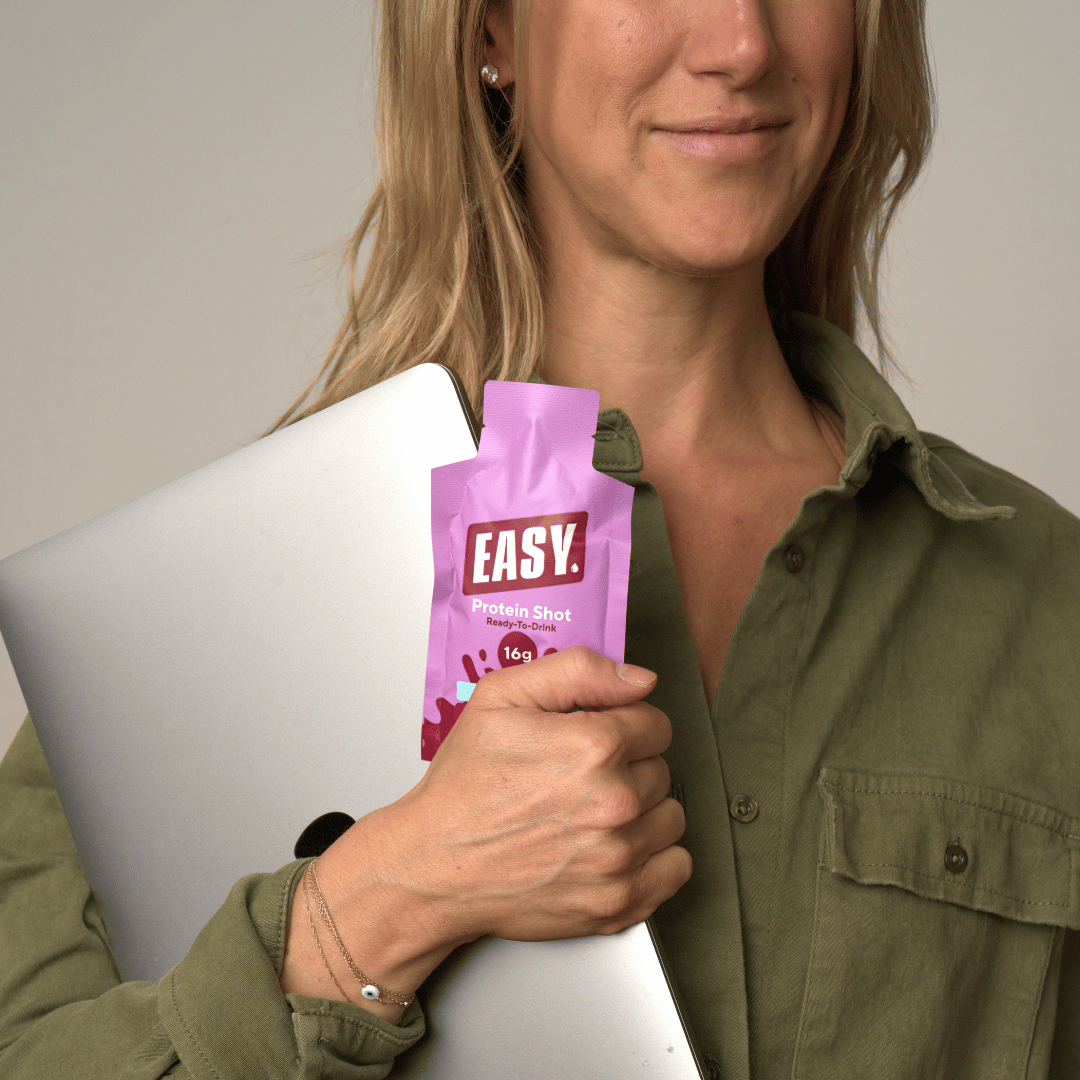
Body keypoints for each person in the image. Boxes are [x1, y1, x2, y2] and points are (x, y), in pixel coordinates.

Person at [1, 0, 1077, 1077]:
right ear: (492, 34)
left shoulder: (1046, 604)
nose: (743, 45)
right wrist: (393, 893)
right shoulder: (210, 614)